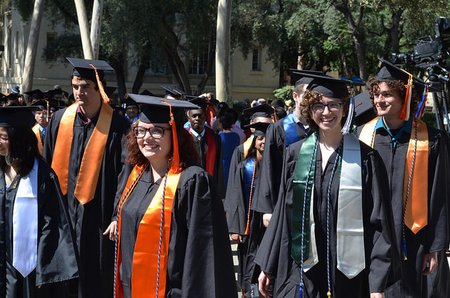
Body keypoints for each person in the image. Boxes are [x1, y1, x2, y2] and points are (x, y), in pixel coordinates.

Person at [255, 74, 397, 298]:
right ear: (310, 110)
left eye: (333, 105)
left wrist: (377, 284)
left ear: (344, 108)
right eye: (318, 105)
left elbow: (379, 222)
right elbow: (283, 213)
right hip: (302, 270)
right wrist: (268, 265)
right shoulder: (296, 155)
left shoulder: (366, 158)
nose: (326, 112)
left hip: (349, 273)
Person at [106, 94, 237, 298]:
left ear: (175, 134)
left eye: (157, 131)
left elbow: (204, 256)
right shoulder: (135, 177)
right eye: (141, 131)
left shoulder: (193, 182)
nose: (147, 138)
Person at [359, 59, 449, 297]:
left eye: (387, 94)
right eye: (376, 94)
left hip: (415, 240)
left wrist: (435, 247)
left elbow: (439, 196)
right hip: (373, 239)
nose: (379, 100)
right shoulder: (364, 137)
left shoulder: (432, 140)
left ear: (404, 96)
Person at [43, 57, 129, 298]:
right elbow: (47, 164)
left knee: (95, 276)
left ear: (99, 88)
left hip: (98, 215)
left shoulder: (118, 126)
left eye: (85, 86)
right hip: (63, 213)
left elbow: (125, 174)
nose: (79, 92)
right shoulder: (61, 120)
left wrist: (116, 214)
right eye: (75, 86)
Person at [0, 106, 78, 297]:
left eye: (3, 137)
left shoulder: (42, 175)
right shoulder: (2, 169)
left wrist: (45, 267)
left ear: (18, 139)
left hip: (27, 265)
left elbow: (52, 224)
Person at [252, 70, 315, 227]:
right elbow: (268, 168)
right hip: (285, 203)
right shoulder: (278, 129)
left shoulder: (320, 129)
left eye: (313, 97)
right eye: (306, 96)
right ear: (295, 96)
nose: (310, 101)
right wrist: (267, 209)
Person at [224, 120, 271, 298]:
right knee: (249, 260)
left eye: (266, 138)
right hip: (250, 224)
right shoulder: (245, 167)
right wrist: (237, 226)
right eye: (259, 138)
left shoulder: (277, 165)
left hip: (268, 222)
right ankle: (249, 292)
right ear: (254, 141)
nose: (263, 142)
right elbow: (236, 197)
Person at [186, 96, 225, 199]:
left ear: (205, 116)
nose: (197, 119)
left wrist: (219, 194)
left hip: (209, 189)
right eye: (194, 116)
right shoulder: (183, 138)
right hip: (188, 190)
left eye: (200, 115)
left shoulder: (215, 138)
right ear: (188, 117)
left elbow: (218, 166)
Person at [218, 109, 241, 186]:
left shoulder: (218, 137)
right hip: (233, 162)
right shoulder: (236, 136)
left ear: (221, 124)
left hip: (222, 164)